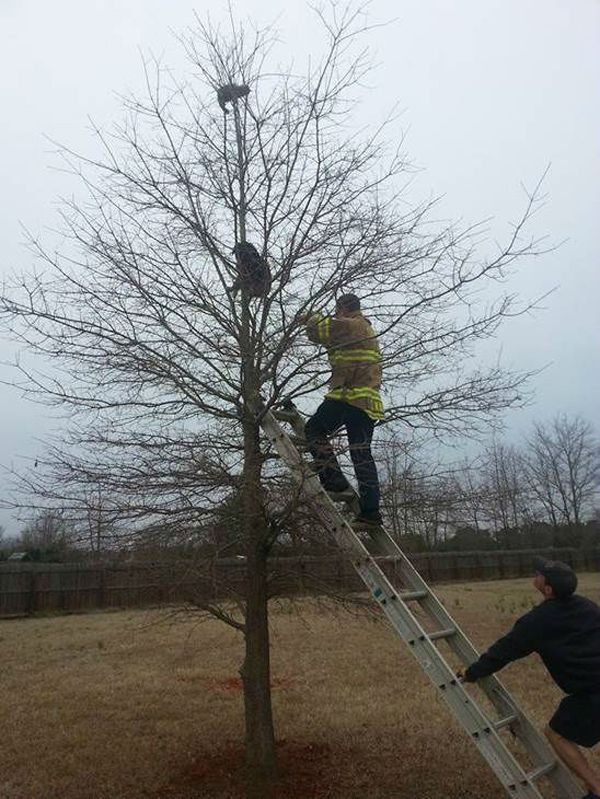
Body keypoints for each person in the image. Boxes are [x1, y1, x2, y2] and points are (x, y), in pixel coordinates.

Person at [458, 558, 600, 799]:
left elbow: (504, 651)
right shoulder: (587, 606)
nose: (537, 572)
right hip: (592, 690)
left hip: (593, 693)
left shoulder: (537, 622)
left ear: (547, 589)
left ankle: (596, 790)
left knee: (557, 734)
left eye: (541, 573)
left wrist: (471, 672)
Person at [299, 293, 384, 527]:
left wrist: (308, 318)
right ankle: (371, 512)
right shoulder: (363, 331)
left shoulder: (352, 325)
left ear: (343, 310)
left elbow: (323, 328)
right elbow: (327, 338)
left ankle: (333, 478)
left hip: (348, 396)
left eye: (337, 312)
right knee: (362, 455)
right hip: (367, 403)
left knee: (314, 429)